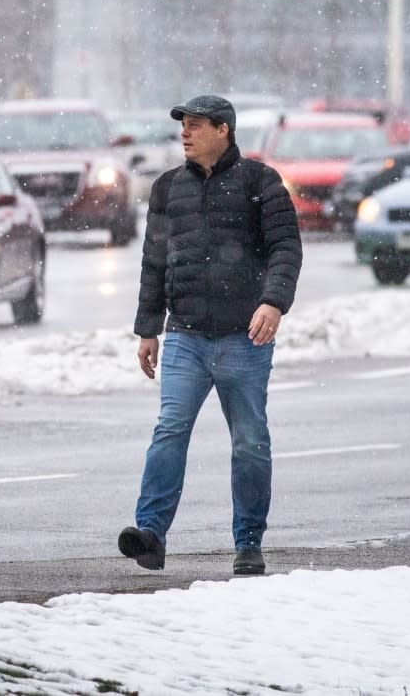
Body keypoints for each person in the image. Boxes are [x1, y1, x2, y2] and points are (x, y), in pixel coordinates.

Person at [118, 94, 302, 576]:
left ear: (224, 130)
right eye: (183, 124)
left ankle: (248, 543)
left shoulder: (260, 183)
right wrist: (147, 329)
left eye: (196, 125)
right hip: (185, 336)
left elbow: (286, 247)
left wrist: (273, 301)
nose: (185, 132)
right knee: (170, 429)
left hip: (245, 337)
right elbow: (154, 261)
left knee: (248, 440)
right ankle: (150, 534)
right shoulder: (166, 189)